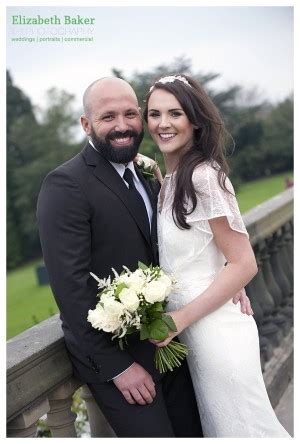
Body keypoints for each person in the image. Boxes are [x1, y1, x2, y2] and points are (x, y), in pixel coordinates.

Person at [37, 77, 252, 438]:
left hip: (174, 347)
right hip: (121, 361)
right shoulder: (65, 185)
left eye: (130, 114)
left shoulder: (149, 174)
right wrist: (117, 368)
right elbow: (70, 287)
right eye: (108, 117)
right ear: (86, 125)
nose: (122, 126)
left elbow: (182, 245)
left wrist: (230, 273)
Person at [143, 74, 290, 438]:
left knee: (247, 430)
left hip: (217, 335)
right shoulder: (173, 180)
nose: (163, 123)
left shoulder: (203, 177)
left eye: (174, 113)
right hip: (197, 337)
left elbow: (245, 263)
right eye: (154, 114)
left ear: (194, 120)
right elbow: (202, 246)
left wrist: (178, 319)